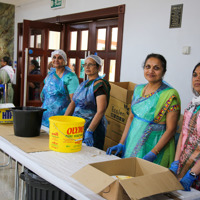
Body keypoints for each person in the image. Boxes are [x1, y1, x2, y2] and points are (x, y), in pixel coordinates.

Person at [107, 53, 181, 168]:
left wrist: (154, 152)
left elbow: (171, 129)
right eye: (148, 67)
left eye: (156, 68)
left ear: (164, 71)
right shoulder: (138, 89)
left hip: (154, 145)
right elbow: (131, 117)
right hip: (132, 141)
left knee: (147, 180)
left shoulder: (169, 95)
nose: (151, 71)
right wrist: (121, 143)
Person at [65, 54, 110, 150]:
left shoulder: (99, 85)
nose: (87, 67)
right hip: (77, 127)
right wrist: (63, 120)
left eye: (91, 64)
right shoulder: (83, 84)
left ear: (99, 67)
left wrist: (90, 130)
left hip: (93, 128)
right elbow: (72, 103)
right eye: (85, 65)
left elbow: (101, 110)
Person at [169, 63, 200, 191]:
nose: (197, 78)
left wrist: (193, 173)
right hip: (183, 165)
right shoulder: (192, 104)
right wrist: (176, 162)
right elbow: (183, 133)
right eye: (195, 75)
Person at [41, 49, 79, 127]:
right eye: (54, 57)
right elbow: (45, 95)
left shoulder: (70, 77)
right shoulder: (50, 75)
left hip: (60, 120)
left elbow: (74, 101)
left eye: (60, 58)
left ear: (64, 61)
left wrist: (64, 120)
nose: (56, 60)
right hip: (44, 119)